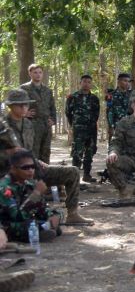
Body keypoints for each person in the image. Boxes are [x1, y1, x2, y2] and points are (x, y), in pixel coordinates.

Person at [5, 89, 93, 224]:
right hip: (9, 173)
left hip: (31, 169)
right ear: (10, 106)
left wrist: (37, 160)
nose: (24, 108)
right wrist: (9, 153)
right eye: (19, 105)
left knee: (72, 172)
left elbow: (30, 150)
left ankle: (73, 214)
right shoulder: (3, 125)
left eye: (26, 104)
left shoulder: (28, 124)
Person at [0, 149, 62, 243]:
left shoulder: (30, 183)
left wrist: (52, 215)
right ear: (13, 169)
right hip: (7, 224)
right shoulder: (4, 187)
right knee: (29, 226)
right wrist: (36, 194)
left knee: (57, 216)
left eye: (32, 167)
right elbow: (17, 216)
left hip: (25, 220)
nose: (31, 170)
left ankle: (44, 229)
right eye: (25, 167)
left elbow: (42, 208)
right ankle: (40, 231)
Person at [20, 64, 57, 164]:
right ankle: (32, 176)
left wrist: (53, 120)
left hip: (46, 125)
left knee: (45, 152)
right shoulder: (24, 89)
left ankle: (44, 176)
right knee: (32, 152)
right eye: (35, 72)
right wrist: (24, 113)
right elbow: (17, 105)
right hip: (31, 125)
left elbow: (52, 107)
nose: (38, 75)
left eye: (40, 72)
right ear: (30, 73)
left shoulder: (47, 91)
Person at [65, 75, 100, 182]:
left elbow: (96, 113)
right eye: (84, 81)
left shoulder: (94, 98)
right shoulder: (73, 97)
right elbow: (68, 112)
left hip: (91, 129)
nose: (86, 84)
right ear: (80, 83)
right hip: (79, 130)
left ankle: (86, 174)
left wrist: (92, 124)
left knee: (90, 152)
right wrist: (74, 124)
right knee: (77, 153)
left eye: (89, 82)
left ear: (91, 84)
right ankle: (74, 177)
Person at [105, 72, 132, 139]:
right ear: (119, 81)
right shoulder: (111, 95)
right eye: (125, 81)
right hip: (116, 125)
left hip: (130, 126)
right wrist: (110, 127)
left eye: (128, 81)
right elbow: (109, 112)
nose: (127, 83)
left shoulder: (131, 95)